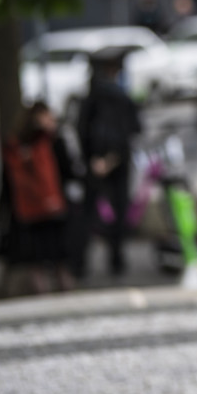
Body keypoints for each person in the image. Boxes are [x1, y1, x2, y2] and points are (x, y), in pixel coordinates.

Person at [0, 101, 78, 295]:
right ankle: (68, 305)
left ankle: (43, 303)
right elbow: (70, 173)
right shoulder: (53, 141)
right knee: (61, 266)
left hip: (27, 214)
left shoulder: (13, 146)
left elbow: (6, 187)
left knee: (36, 267)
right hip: (54, 211)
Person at [74, 49, 142, 278]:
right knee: (119, 211)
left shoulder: (90, 97)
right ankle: (116, 260)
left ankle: (80, 264)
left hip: (94, 162)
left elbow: (81, 129)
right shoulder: (122, 96)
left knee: (88, 213)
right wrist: (112, 159)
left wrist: (92, 159)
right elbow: (134, 128)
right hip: (118, 161)